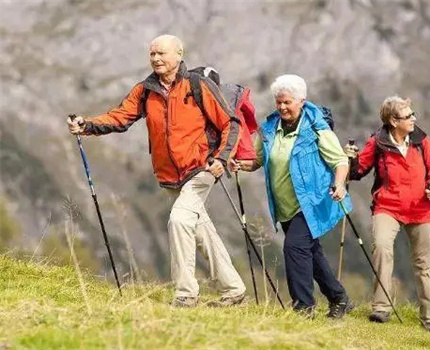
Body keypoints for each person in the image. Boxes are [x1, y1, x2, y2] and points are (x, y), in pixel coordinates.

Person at [67, 34, 246, 308]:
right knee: (199, 227)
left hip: (201, 167)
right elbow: (120, 116)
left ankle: (186, 294)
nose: (156, 59)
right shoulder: (145, 90)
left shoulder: (197, 85)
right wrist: (88, 124)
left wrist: (221, 158)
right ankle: (234, 289)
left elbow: (230, 123)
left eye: (161, 53)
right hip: (170, 176)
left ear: (179, 54)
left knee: (179, 220)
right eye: (152, 54)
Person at [232, 74, 353, 319]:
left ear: (301, 101)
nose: (282, 107)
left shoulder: (316, 128)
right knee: (311, 252)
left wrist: (339, 185)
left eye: (287, 102)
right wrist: (240, 165)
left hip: (313, 202)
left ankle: (303, 309)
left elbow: (340, 160)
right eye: (279, 102)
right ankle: (339, 299)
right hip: (285, 204)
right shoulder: (269, 128)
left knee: (294, 247)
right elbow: (257, 160)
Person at [344, 96, 430, 331]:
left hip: (421, 209)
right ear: (393, 121)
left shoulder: (422, 141)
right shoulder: (378, 142)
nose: (413, 119)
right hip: (387, 206)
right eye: (408, 116)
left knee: (423, 264)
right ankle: (381, 308)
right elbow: (358, 171)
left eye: (412, 114)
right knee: (381, 247)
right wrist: (350, 159)